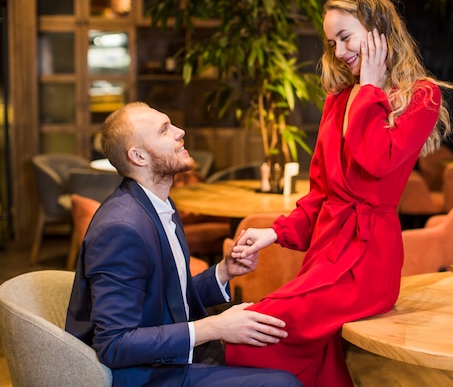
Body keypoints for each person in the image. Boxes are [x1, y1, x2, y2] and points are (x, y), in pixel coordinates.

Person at [225, 0, 453, 387]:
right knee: (319, 360)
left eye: (345, 37)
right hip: (325, 253)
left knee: (255, 329)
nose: (339, 51)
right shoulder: (338, 101)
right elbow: (320, 193)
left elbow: (377, 159)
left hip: (367, 262)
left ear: (377, 30)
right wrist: (274, 232)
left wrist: (369, 87)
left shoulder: (421, 96)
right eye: (332, 43)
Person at [65, 102, 303, 387]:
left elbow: (169, 299)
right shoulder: (121, 228)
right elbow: (115, 345)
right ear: (138, 156)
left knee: (292, 351)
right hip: (147, 376)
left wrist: (224, 272)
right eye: (165, 130)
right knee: (284, 383)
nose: (180, 132)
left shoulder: (158, 205)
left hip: (170, 358)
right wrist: (215, 326)